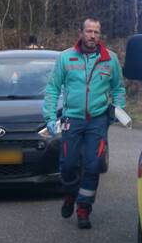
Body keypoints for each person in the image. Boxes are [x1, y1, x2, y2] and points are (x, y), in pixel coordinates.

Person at [44, 17, 126, 229]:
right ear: (81, 33)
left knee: (93, 164)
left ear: (100, 35)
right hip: (72, 119)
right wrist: (50, 117)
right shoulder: (66, 58)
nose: (92, 36)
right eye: (88, 31)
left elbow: (118, 88)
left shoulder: (110, 59)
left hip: (97, 120)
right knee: (69, 165)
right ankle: (70, 194)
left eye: (96, 32)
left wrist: (117, 108)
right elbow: (53, 88)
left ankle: (83, 208)